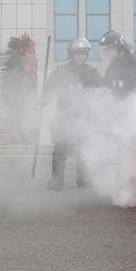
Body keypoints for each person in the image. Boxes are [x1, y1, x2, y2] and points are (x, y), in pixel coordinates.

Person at [42, 37, 103, 190]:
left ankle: (84, 179)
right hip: (64, 117)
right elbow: (50, 87)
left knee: (83, 150)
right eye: (77, 53)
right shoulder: (61, 72)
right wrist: (44, 98)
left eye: (83, 53)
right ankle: (56, 180)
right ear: (71, 54)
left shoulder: (92, 73)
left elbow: (102, 90)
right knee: (59, 150)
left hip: (84, 118)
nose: (80, 56)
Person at [98, 30, 136, 98]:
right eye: (103, 50)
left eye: (108, 50)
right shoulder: (112, 67)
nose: (106, 53)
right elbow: (106, 89)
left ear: (119, 47)